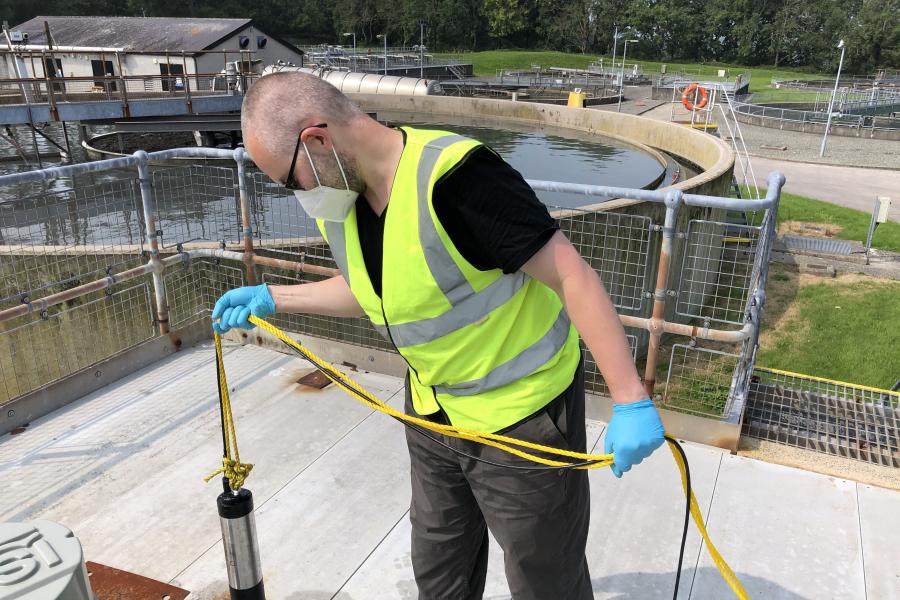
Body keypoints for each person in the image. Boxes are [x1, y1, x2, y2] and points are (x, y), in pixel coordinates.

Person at [213, 71, 665, 600]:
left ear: (316, 142)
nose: (297, 196)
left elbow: (571, 275)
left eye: (290, 181)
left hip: (523, 421)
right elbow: (375, 291)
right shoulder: (344, 202)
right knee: (439, 567)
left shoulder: (458, 179)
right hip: (432, 415)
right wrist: (273, 299)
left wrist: (629, 398)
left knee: (545, 578)